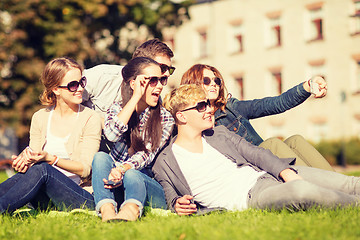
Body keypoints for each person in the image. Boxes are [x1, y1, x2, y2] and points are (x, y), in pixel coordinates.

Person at [153, 84, 360, 215]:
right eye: (201, 107)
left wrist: (286, 172)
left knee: (349, 182)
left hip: (269, 175)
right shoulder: (166, 161)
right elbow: (171, 197)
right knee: (302, 191)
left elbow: (256, 153)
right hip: (251, 197)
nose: (209, 109)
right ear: (181, 116)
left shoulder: (219, 133)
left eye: (207, 104)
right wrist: (177, 204)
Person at [181, 64, 334, 171]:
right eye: (206, 81)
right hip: (249, 169)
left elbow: (274, 104)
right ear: (192, 84)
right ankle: (310, 185)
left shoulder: (231, 108)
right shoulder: (189, 119)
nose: (214, 84)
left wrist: (307, 86)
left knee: (295, 140)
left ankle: (339, 183)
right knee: (271, 144)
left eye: (217, 80)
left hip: (266, 159)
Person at [0, 57, 102, 214]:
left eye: (82, 82)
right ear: (56, 89)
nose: (80, 88)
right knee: (31, 172)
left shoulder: (90, 118)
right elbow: (35, 158)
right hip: (45, 195)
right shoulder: (40, 117)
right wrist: (24, 162)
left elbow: (86, 169)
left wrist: (51, 159)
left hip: (79, 196)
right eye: (73, 85)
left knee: (44, 169)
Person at [92, 57, 175, 222]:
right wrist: (136, 97)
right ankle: (107, 210)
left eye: (162, 80)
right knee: (100, 157)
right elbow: (111, 134)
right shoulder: (117, 108)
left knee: (131, 174)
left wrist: (122, 170)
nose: (159, 86)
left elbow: (146, 155)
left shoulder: (165, 118)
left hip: (143, 182)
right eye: (152, 80)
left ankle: (131, 211)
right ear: (133, 83)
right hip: (114, 179)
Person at [82, 38, 175, 153]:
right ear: (141, 63)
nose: (166, 73)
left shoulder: (154, 100)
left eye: (170, 70)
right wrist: (99, 121)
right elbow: (66, 98)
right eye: (163, 68)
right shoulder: (103, 76)